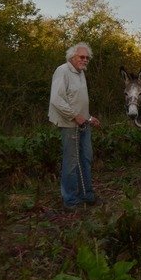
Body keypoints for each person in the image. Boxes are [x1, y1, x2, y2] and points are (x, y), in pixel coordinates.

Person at [48, 42, 101, 211]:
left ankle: (87, 195)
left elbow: (78, 102)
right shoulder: (62, 71)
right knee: (71, 162)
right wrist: (74, 116)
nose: (85, 60)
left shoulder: (81, 73)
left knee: (86, 158)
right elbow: (56, 100)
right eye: (82, 57)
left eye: (87, 58)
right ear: (72, 57)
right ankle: (70, 201)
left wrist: (89, 118)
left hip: (83, 124)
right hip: (69, 124)